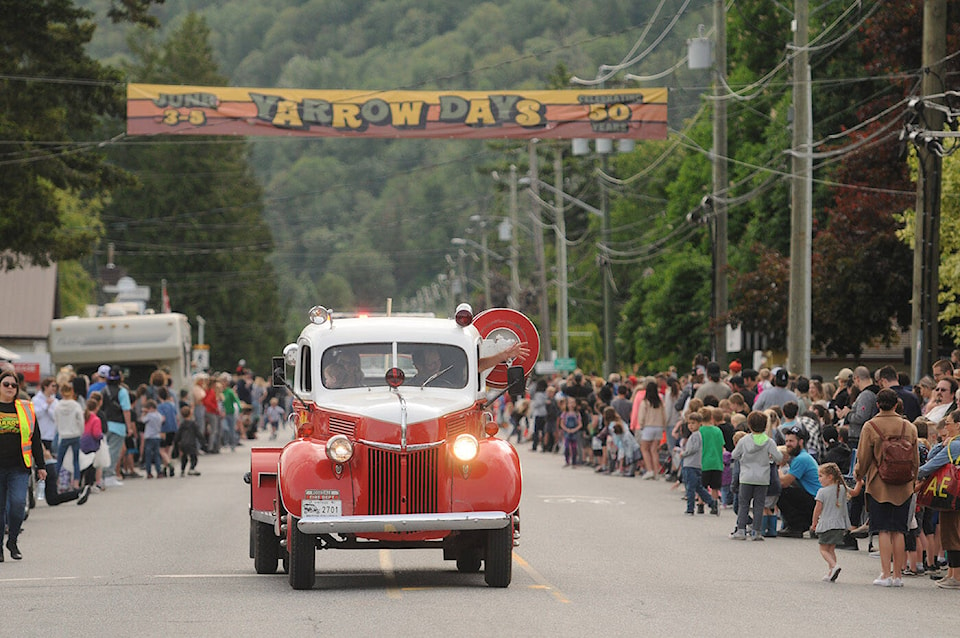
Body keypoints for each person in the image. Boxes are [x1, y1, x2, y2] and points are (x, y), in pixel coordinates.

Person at [854, 388, 920, 587]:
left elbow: (864, 457)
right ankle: (898, 576)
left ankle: (885, 573)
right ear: (896, 404)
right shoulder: (909, 427)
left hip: (879, 485)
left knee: (883, 529)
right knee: (899, 530)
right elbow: (915, 460)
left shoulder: (870, 426)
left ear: (877, 404)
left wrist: (859, 474)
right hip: (904, 486)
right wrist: (913, 481)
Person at [0, 370, 47, 561]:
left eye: (14, 385)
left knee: (18, 505)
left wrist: (41, 466)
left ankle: (12, 541)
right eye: (6, 384)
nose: (10, 387)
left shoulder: (26, 408)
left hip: (19, 467)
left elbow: (35, 439)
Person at [917, 410, 960, 588]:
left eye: (948, 423)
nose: (946, 427)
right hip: (954, 494)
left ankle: (956, 576)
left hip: (952, 495)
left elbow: (931, 463)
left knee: (952, 534)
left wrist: (942, 445)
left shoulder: (955, 445)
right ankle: (951, 573)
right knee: (951, 533)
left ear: (958, 425)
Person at [730, 411, 783, 540]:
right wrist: (770, 458)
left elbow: (734, 455)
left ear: (749, 425)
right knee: (759, 505)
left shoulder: (744, 440)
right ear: (765, 425)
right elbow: (779, 457)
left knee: (744, 504)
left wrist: (743, 458)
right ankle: (756, 532)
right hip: (762, 478)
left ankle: (741, 530)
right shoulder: (769, 442)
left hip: (746, 477)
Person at [777, 424, 822, 537]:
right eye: (786, 441)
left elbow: (784, 483)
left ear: (800, 442)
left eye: (791, 441)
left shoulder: (801, 459)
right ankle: (798, 524)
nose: (788, 444)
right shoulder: (802, 457)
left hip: (815, 501)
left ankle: (796, 526)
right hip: (814, 499)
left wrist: (778, 471)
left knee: (780, 492)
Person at [811, 462, 852, 582]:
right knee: (831, 549)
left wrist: (814, 523)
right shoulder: (843, 489)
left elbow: (817, 509)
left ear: (830, 477)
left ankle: (834, 566)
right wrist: (859, 483)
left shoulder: (822, 492)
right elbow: (854, 492)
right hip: (839, 525)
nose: (819, 479)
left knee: (823, 549)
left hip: (826, 525)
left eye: (821, 476)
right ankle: (831, 572)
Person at [679, 412, 719, 516]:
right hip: (694, 464)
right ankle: (711, 502)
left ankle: (690, 508)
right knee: (698, 487)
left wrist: (684, 453)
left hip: (691, 464)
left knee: (690, 487)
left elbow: (693, 448)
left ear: (699, 424)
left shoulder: (695, 436)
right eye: (689, 423)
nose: (690, 426)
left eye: (693, 423)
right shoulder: (694, 435)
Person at [101, 366, 134, 487]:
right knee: (114, 452)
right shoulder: (122, 391)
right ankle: (109, 476)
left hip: (104, 425)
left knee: (105, 451)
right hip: (118, 426)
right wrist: (129, 427)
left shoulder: (104, 390)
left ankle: (102, 476)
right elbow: (126, 410)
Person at [53, 381, 84, 488]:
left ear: (61, 392)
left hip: (63, 435)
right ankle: (76, 483)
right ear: (71, 392)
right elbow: (81, 420)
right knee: (76, 460)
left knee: (59, 460)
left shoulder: (57, 406)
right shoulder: (76, 405)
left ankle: (55, 482)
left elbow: (55, 421)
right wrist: (81, 432)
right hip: (75, 434)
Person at [636, 380, 666, 479]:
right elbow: (664, 415)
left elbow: (641, 416)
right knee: (654, 450)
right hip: (659, 427)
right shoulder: (660, 402)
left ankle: (649, 470)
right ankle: (656, 472)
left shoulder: (645, 402)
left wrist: (641, 425)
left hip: (648, 426)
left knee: (644, 448)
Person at [173, 404, 203, 477]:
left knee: (184, 457)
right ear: (190, 413)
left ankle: (182, 470)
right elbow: (198, 433)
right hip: (191, 443)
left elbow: (178, 434)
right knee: (193, 457)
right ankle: (192, 468)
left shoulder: (182, 424)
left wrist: (176, 441)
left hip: (183, 443)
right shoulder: (193, 424)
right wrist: (203, 442)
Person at [32, 376, 59, 453]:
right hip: (41, 434)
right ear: (45, 387)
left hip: (52, 435)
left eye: (55, 386)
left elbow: (56, 417)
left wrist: (49, 409)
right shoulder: (36, 400)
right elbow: (36, 415)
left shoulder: (55, 401)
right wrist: (46, 406)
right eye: (52, 386)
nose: (54, 388)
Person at [140, 400, 164, 479]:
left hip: (149, 437)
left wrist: (144, 413)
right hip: (157, 437)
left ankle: (149, 472)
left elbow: (142, 420)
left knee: (148, 456)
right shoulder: (159, 415)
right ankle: (159, 471)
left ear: (150, 408)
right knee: (157, 455)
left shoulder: (150, 415)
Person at [559, 396, 582, 468]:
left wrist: (575, 429)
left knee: (574, 447)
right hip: (567, 431)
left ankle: (574, 462)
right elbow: (562, 423)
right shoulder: (565, 413)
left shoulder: (577, 414)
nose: (571, 405)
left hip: (574, 431)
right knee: (566, 447)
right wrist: (566, 429)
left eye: (573, 403)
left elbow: (580, 424)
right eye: (570, 403)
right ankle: (567, 461)